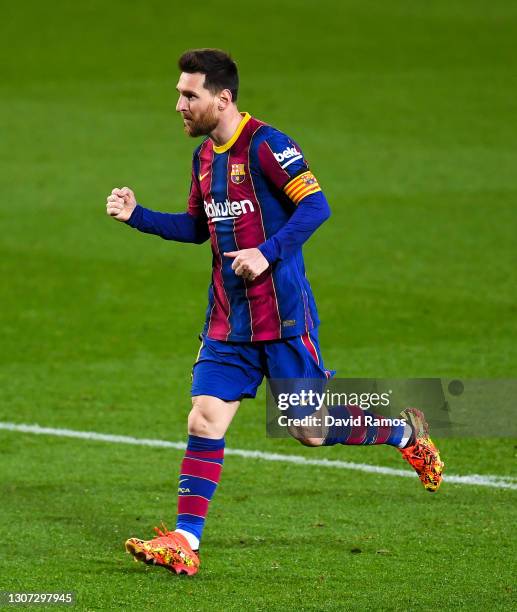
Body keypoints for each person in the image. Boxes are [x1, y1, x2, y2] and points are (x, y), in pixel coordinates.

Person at [106, 48, 444, 577]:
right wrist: (137, 216)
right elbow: (199, 229)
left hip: (282, 319)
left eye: (188, 94)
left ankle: (404, 432)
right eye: (178, 93)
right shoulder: (202, 160)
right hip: (227, 321)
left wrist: (267, 252)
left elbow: (316, 206)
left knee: (307, 430)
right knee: (205, 417)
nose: (179, 104)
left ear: (223, 98)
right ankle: (185, 540)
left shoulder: (268, 145)